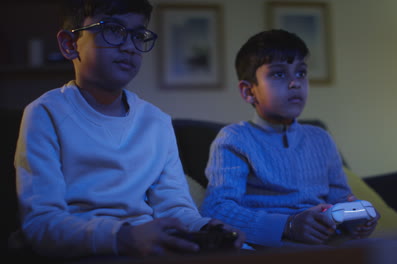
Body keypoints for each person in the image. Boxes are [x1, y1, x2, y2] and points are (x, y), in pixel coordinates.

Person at [12, 0, 245, 258]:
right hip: (85, 249)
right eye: (113, 29)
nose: (129, 46)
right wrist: (124, 237)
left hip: (151, 248)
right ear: (70, 44)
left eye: (138, 35)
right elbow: (42, 224)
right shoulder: (45, 114)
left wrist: (207, 227)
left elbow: (175, 209)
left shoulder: (156, 121)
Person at [200, 29, 379, 248]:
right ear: (249, 92)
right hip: (272, 243)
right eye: (279, 74)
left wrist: (357, 218)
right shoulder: (235, 139)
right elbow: (217, 209)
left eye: (301, 73)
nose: (295, 83)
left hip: (327, 241)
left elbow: (340, 200)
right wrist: (288, 225)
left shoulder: (321, 139)